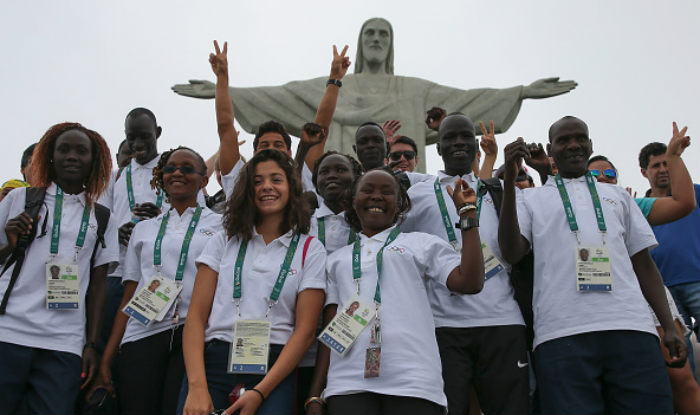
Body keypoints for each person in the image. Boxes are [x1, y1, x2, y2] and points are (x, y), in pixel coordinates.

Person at [173, 18, 577, 173]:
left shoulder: (413, 89)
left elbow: (465, 102)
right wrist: (222, 89)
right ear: (359, 42)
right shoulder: (329, 86)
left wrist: (520, 92)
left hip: (401, 188)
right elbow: (278, 98)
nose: (376, 40)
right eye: (370, 34)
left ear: (392, 43)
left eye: (384, 34)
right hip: (337, 186)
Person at [498, 116, 686, 414]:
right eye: (563, 140)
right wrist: (509, 180)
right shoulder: (530, 199)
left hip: (631, 328)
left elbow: (644, 263)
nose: (573, 145)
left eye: (580, 138)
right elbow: (511, 251)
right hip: (560, 334)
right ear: (550, 149)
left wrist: (668, 325)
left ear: (590, 144)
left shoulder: (617, 195)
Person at [310, 167, 484, 415]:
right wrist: (315, 394)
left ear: (401, 205)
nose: (377, 196)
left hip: (414, 383)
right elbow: (331, 333)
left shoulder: (421, 244)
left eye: (387, 192)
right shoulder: (336, 260)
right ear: (352, 202)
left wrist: (467, 216)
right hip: (348, 385)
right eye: (367, 190)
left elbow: (470, 283)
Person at [180, 149, 326, 415]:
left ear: (291, 187)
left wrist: (261, 392)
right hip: (213, 364)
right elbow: (196, 318)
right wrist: (197, 386)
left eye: (276, 179)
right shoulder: (223, 240)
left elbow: (304, 333)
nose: (266, 187)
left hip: (274, 369)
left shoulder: (310, 249)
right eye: (257, 181)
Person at [401, 113, 529, 414]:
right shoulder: (416, 195)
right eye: (449, 137)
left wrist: (508, 180)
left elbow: (515, 252)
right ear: (438, 149)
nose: (458, 142)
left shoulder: (497, 191)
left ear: (476, 146)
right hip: (442, 327)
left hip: (502, 322)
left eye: (465, 136)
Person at [89, 147, 222, 414]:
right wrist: (106, 359)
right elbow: (129, 295)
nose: (177, 174)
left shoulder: (223, 226)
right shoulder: (143, 229)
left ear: (204, 179)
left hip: (193, 334)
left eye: (187, 169)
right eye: (170, 169)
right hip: (142, 332)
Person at [0, 122, 119, 414]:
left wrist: (91, 345)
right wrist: (10, 243)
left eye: (82, 151)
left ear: (95, 160)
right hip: (8, 329)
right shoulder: (20, 199)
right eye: (63, 149)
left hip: (64, 340)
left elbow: (99, 285)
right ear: (50, 156)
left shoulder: (103, 218)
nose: (72, 156)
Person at [209, 40, 350, 200]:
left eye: (278, 145)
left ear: (290, 153)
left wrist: (335, 79)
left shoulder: (304, 175)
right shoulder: (238, 179)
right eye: (264, 145)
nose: (272, 149)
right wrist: (222, 77)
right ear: (254, 153)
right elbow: (225, 126)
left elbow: (321, 126)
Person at [639, 130, 700, 348]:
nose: (663, 170)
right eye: (656, 166)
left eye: (667, 163)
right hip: (663, 292)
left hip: (697, 280)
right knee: (679, 351)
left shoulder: (694, 194)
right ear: (644, 172)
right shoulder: (637, 207)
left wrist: (677, 156)